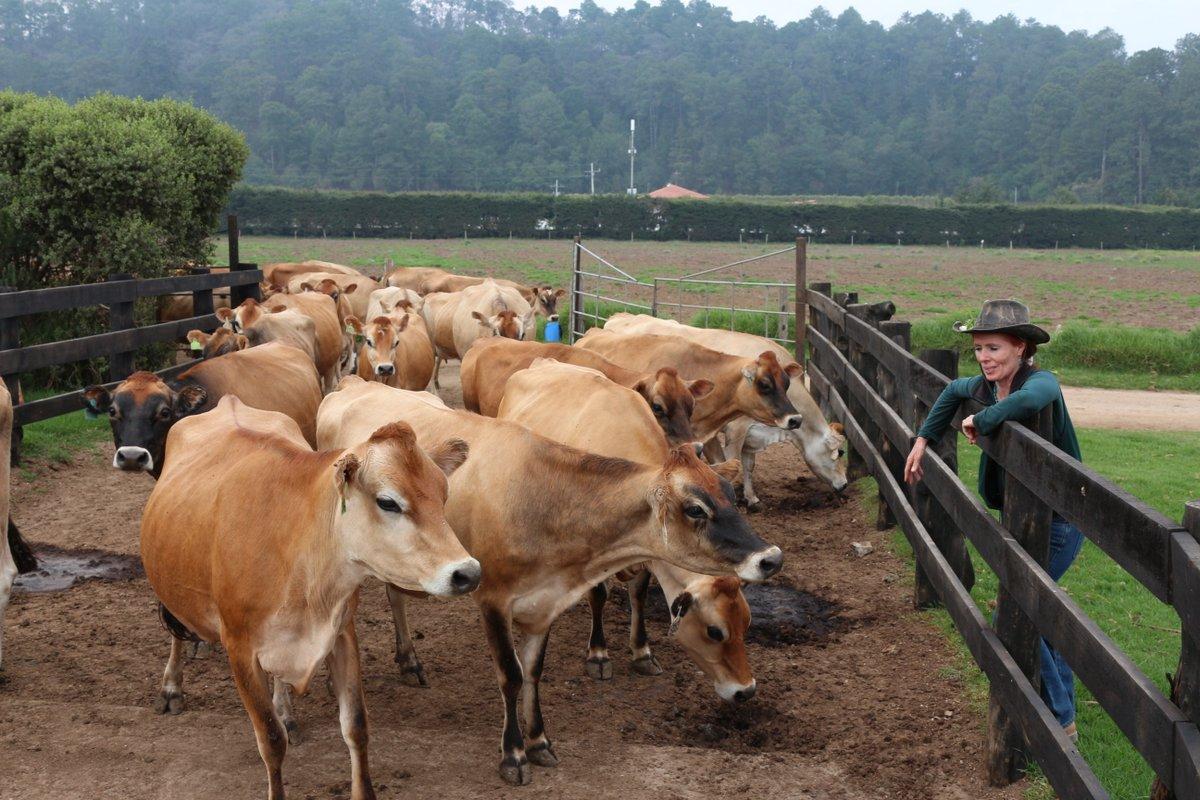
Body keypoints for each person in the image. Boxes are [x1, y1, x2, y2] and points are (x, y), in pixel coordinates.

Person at [903, 299, 1085, 742]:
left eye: (994, 348)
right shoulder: (986, 384)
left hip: (1058, 523)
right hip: (1025, 515)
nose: (984, 358)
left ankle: (1061, 722)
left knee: (1017, 608)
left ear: (1020, 347)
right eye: (979, 348)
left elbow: (1033, 399)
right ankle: (1065, 709)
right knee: (1039, 610)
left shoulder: (1039, 381)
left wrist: (983, 419)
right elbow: (952, 391)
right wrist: (923, 439)